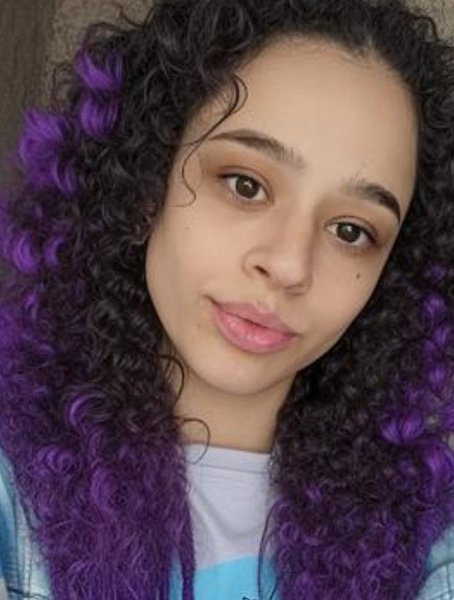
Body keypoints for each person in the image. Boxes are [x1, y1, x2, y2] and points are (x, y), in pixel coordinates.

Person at [0, 0, 454, 598]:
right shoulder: (13, 486)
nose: (289, 265)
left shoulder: (429, 540)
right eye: (246, 184)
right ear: (145, 186)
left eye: (351, 231)